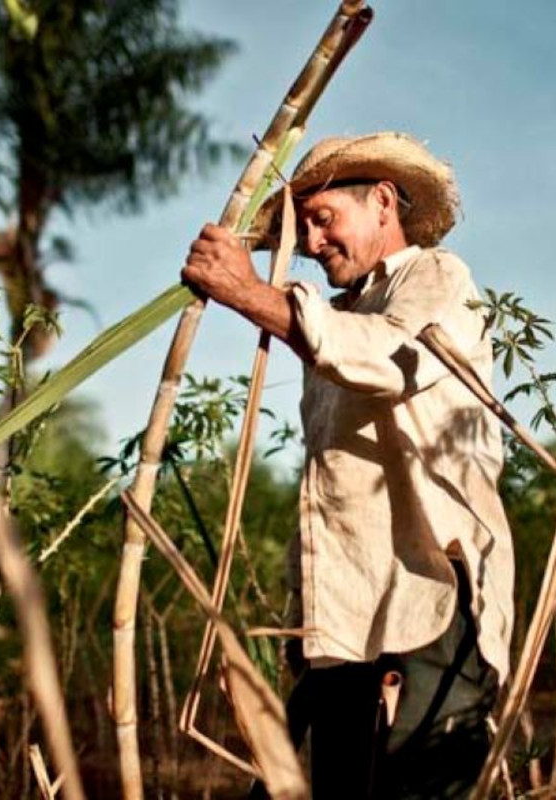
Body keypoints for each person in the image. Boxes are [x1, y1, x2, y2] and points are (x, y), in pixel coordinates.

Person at [182, 132, 513, 799]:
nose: (309, 239)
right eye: (301, 226)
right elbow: (330, 495)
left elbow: (390, 357)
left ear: (383, 202)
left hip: (427, 603)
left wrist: (249, 295)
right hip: (343, 624)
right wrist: (307, 615)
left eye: (323, 217)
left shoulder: (437, 278)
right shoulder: (332, 319)